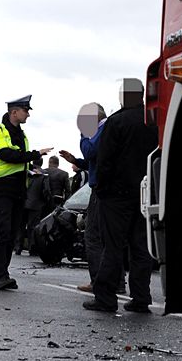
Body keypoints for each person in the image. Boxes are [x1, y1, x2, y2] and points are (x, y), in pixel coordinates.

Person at [83, 79, 157, 313]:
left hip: (116, 195)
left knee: (112, 246)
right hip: (145, 192)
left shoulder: (116, 122)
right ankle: (141, 297)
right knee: (140, 246)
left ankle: (105, 297)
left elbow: (105, 160)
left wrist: (102, 189)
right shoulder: (154, 121)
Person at [0, 95, 53, 289]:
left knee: (13, 233)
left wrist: (30, 169)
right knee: (2, 233)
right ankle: (0, 276)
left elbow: (19, 160)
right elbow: (5, 154)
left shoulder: (22, 135)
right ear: (14, 112)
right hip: (1, 189)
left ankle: (4, 274)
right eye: (26, 111)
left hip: (17, 190)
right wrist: (34, 154)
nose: (28, 115)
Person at [60, 103, 122, 293]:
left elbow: (90, 151)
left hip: (102, 190)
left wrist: (83, 134)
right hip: (111, 188)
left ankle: (99, 282)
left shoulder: (102, 128)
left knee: (93, 236)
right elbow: (95, 160)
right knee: (109, 237)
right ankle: (116, 282)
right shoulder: (108, 127)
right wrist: (76, 161)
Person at [15, 158, 50, 256]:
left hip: (22, 203)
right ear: (41, 163)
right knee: (33, 227)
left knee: (20, 226)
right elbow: (46, 190)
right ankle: (32, 247)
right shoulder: (44, 175)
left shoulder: (24, 172)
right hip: (36, 204)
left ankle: (18, 247)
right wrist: (46, 200)